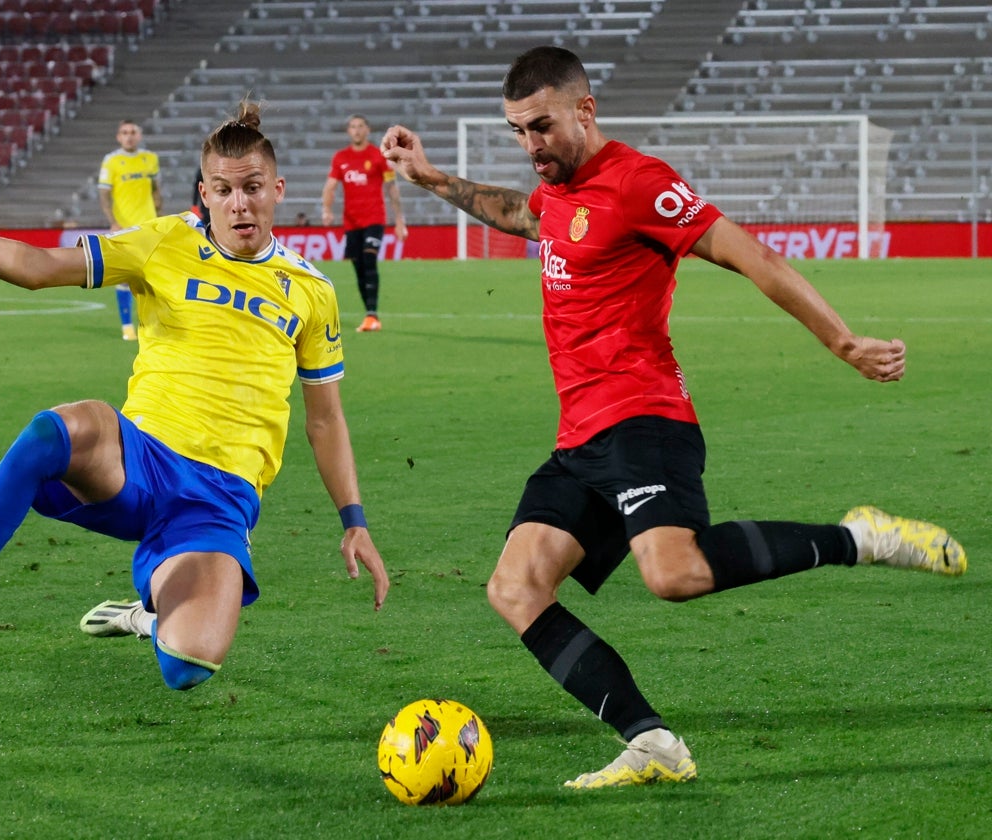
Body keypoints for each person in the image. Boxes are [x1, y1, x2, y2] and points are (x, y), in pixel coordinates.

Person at [380, 46, 967, 789]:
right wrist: (431, 179)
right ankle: (651, 742)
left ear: (584, 111)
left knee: (674, 572)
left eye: (541, 127)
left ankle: (860, 538)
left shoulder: (639, 183)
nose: (530, 146)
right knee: (515, 587)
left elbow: (751, 255)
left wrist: (843, 341)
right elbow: (522, 216)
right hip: (580, 437)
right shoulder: (556, 191)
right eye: (518, 131)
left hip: (643, 417)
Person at [0, 102, 390, 694]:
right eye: (223, 190)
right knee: (58, 430)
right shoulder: (164, 241)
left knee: (189, 666)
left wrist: (354, 521)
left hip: (220, 498)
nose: (239, 204)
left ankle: (146, 615)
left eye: (252, 188)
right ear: (204, 192)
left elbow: (324, 421)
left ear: (276, 189)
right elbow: (39, 266)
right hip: (139, 457)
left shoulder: (312, 291)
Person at [321, 114, 408, 333]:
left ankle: (372, 315)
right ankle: (369, 313)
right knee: (358, 266)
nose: (357, 130)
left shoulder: (378, 156)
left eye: (360, 126)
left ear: (367, 130)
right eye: (352, 127)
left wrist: (399, 220)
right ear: (348, 131)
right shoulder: (340, 157)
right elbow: (330, 186)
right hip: (351, 222)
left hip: (374, 219)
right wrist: (326, 210)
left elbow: (391, 188)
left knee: (369, 259)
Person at [98, 119, 162, 341]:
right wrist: (113, 221)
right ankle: (127, 326)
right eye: (124, 132)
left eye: (133, 132)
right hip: (124, 227)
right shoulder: (112, 161)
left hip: (149, 226)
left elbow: (155, 191)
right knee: (124, 277)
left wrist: (159, 214)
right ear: (118, 137)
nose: (129, 136)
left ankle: (152, 323)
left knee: (153, 276)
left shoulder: (150, 159)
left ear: (140, 135)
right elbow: (104, 196)